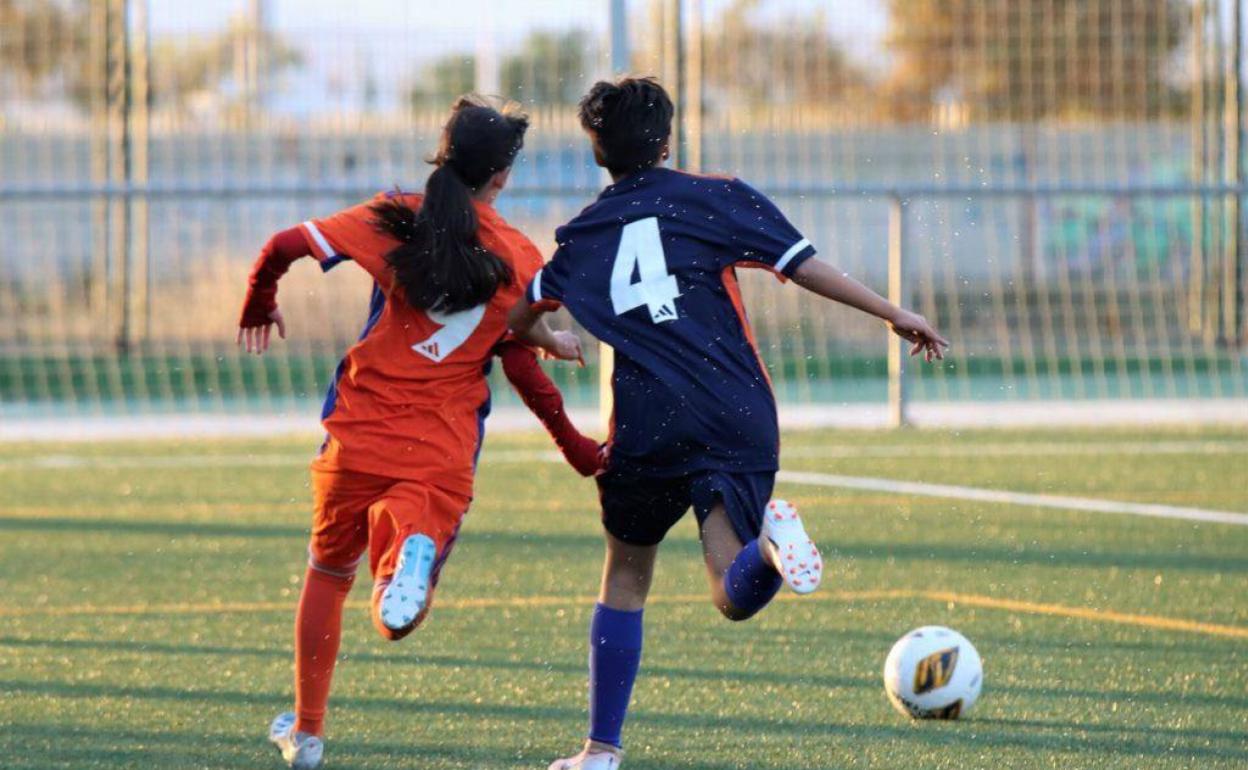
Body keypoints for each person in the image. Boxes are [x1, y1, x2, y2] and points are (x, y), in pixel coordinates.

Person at [509, 77, 949, 770]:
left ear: (600, 156)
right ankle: (772, 549)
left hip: (649, 422)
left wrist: (547, 338)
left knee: (625, 578)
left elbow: (523, 310)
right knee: (730, 589)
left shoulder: (582, 237)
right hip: (732, 411)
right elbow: (804, 267)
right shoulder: (712, 195)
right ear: (667, 139)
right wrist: (893, 312)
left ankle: (599, 751)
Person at [236, 96, 599, 770]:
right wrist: (575, 438)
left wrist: (260, 299)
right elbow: (516, 352)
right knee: (398, 613)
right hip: (438, 449)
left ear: (443, 153)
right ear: (502, 176)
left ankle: (308, 734)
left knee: (326, 573)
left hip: (357, 431)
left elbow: (283, 246)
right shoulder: (519, 255)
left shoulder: (393, 216)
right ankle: (412, 544)